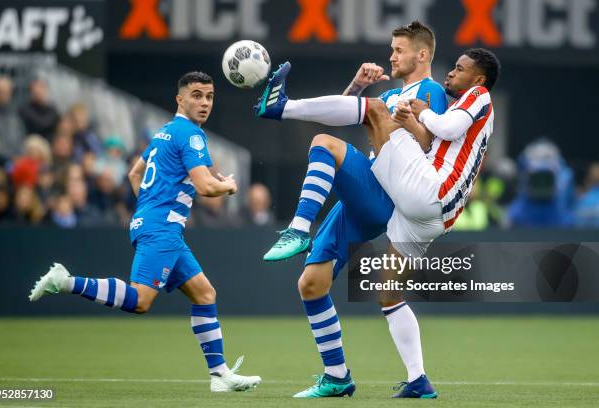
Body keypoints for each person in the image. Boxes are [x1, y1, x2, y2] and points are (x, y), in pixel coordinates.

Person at [29, 71, 261, 392]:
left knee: (205, 294)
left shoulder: (163, 132)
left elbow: (134, 173)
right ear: (179, 99)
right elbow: (206, 187)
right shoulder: (190, 135)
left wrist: (149, 210)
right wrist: (229, 186)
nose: (204, 103)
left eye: (209, 96)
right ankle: (65, 281)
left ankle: (219, 375)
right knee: (140, 300)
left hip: (158, 227)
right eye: (197, 95)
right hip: (161, 230)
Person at [254, 21, 447, 398]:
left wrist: (403, 118)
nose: (391, 56)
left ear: (422, 55)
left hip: (389, 193)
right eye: (391, 49)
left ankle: (297, 225)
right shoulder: (393, 94)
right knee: (311, 285)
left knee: (323, 142)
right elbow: (345, 114)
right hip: (366, 192)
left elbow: (432, 145)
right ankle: (340, 376)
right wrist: (357, 88)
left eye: (399, 49)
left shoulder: (430, 91)